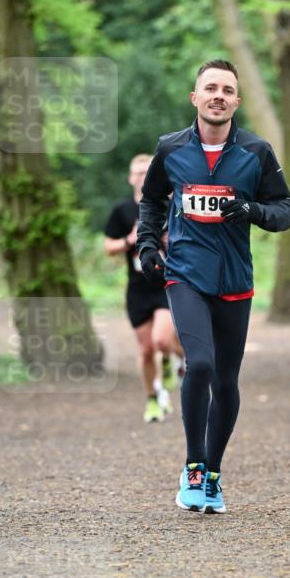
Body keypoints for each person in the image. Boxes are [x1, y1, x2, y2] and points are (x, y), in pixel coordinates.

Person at [137, 59, 290, 514]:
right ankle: (193, 468)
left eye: (227, 89)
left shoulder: (256, 152)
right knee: (199, 364)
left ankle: (214, 476)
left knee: (226, 381)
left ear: (237, 101)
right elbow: (151, 199)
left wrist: (252, 212)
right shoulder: (170, 150)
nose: (218, 95)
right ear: (195, 97)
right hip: (185, 274)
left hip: (235, 281)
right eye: (211, 88)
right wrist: (149, 245)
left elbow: (284, 210)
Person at [104, 154, 183, 424]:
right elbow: (108, 247)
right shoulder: (122, 211)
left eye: (146, 171)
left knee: (162, 340)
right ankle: (152, 398)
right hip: (137, 288)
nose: (140, 177)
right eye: (136, 172)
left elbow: (189, 242)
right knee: (146, 349)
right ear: (129, 178)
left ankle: (176, 361)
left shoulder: (171, 205)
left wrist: (168, 240)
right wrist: (129, 240)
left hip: (165, 282)